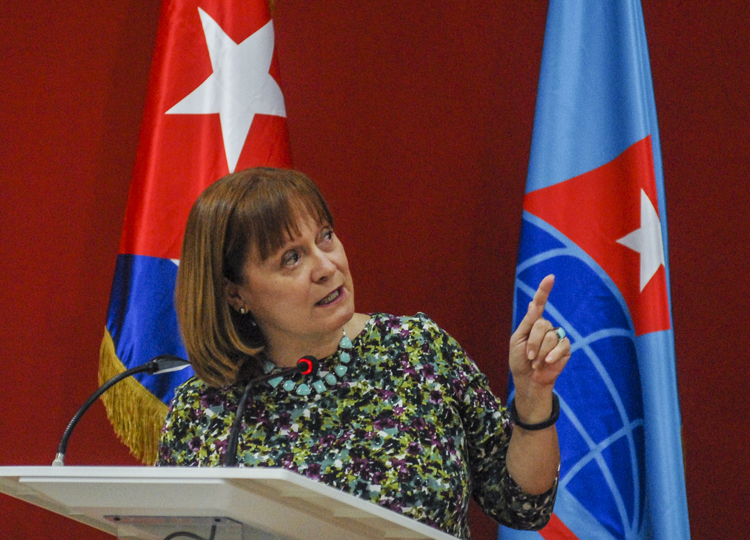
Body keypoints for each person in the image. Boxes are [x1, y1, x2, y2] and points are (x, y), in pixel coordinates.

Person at [158, 167, 571, 539]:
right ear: (236, 294)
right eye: (291, 258)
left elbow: (522, 506)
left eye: (325, 237)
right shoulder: (204, 409)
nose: (326, 266)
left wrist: (533, 395)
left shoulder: (419, 351)